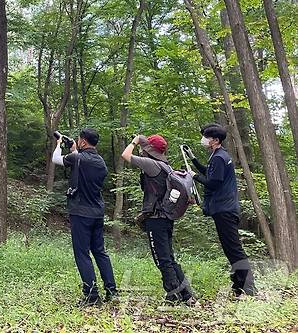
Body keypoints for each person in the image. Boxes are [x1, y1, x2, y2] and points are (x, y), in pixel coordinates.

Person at [121, 134, 198, 306]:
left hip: (156, 218)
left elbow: (125, 155)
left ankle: (173, 296)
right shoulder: (166, 166)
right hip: (166, 218)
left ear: (150, 149)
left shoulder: (151, 164)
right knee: (169, 258)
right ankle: (186, 295)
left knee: (161, 259)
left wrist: (135, 140)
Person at [183, 124, 256, 297]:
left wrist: (194, 176)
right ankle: (239, 286)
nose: (204, 140)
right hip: (224, 208)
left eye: (206, 137)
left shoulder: (219, 157)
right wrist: (193, 160)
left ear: (215, 140)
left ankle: (249, 288)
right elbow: (210, 172)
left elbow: (213, 182)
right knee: (230, 248)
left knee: (234, 249)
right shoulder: (218, 155)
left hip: (224, 208)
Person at [52, 128, 117, 306]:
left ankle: (92, 295)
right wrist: (74, 148)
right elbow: (82, 165)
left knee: (82, 254)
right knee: (100, 252)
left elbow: (56, 159)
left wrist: (58, 145)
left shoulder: (78, 158)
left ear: (83, 141)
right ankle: (112, 291)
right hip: (97, 212)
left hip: (81, 212)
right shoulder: (100, 162)